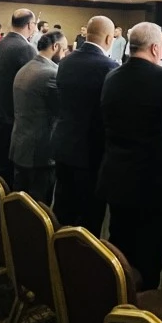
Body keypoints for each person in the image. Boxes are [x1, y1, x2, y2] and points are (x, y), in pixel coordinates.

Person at [97, 22, 162, 290]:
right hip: (151, 182)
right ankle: (141, 311)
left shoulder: (112, 76)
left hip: (116, 175)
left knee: (118, 252)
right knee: (149, 259)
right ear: (155, 48)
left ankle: (112, 303)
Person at [51, 16, 118, 233]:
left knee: (62, 210)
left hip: (64, 145)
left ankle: (55, 251)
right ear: (109, 38)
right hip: (91, 152)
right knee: (88, 219)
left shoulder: (66, 61)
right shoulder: (110, 67)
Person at [10, 30, 67, 204]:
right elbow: (61, 111)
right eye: (64, 50)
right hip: (39, 152)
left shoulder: (25, 68)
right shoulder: (51, 73)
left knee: (18, 202)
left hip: (20, 145)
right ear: (55, 46)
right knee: (37, 207)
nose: (64, 55)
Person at [0, 8, 38, 180]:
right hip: (8, 118)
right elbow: (31, 84)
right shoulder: (25, 48)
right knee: (5, 173)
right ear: (30, 25)